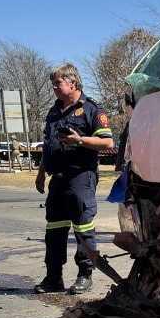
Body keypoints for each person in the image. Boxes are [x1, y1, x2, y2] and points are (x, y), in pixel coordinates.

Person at [34, 63, 114, 294]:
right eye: (53, 84)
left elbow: (108, 143)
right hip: (56, 179)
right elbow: (49, 146)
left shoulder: (92, 109)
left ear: (73, 83)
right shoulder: (53, 111)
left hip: (81, 177)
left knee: (83, 227)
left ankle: (85, 274)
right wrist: (41, 173)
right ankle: (53, 277)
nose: (54, 88)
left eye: (58, 84)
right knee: (54, 230)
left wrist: (80, 140)